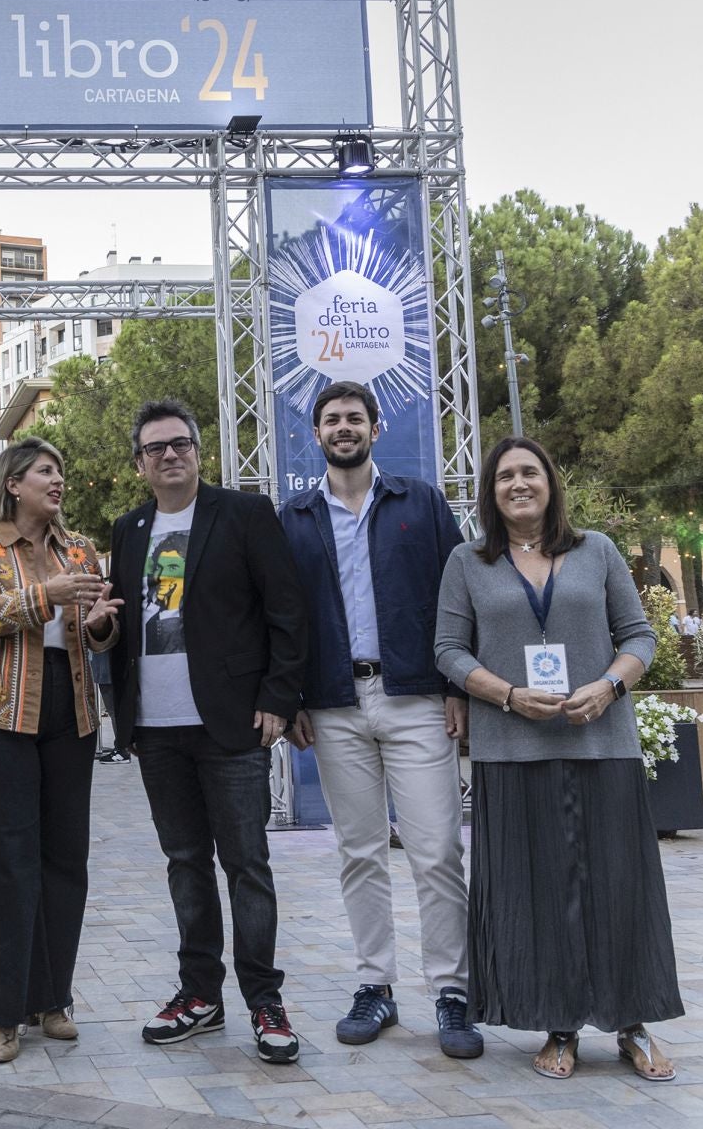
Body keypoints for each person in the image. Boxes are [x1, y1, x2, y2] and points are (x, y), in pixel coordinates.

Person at [434, 435, 681, 1083]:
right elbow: (449, 651)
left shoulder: (595, 551)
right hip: (512, 750)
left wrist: (609, 686)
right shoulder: (467, 561)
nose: (518, 483)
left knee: (618, 888)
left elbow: (639, 636)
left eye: (530, 473)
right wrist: (508, 695)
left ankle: (632, 1023)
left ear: (550, 483)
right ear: (491, 492)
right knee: (538, 893)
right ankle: (561, 1025)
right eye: (505, 476)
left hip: (602, 742)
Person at [281, 381, 483, 1059]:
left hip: (417, 698)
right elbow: (284, 619)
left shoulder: (419, 502)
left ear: (376, 426)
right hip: (334, 705)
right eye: (332, 420)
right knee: (359, 853)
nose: (344, 428)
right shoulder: (296, 517)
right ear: (317, 434)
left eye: (354, 418)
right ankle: (376, 986)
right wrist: (292, 703)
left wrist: (459, 688)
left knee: (437, 852)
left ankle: (452, 993)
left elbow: (457, 598)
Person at [106, 399, 308, 1064]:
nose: (169, 455)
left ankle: (264, 999)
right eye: (155, 448)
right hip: (157, 732)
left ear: (199, 451)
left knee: (246, 865)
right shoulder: (129, 529)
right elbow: (124, 625)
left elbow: (287, 611)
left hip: (232, 725)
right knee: (185, 864)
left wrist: (278, 697)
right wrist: (123, 716)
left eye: (180, 444)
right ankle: (200, 993)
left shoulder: (245, 515)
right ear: (140, 463)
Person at [0, 438, 121, 1064]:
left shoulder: (78, 549)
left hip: (70, 710)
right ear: (14, 482)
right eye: (47, 471)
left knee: (64, 858)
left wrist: (101, 619)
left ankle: (52, 1000)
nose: (59, 481)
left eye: (61, 471)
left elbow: (96, 636)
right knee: (6, 860)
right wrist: (47, 596)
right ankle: (2, 1014)